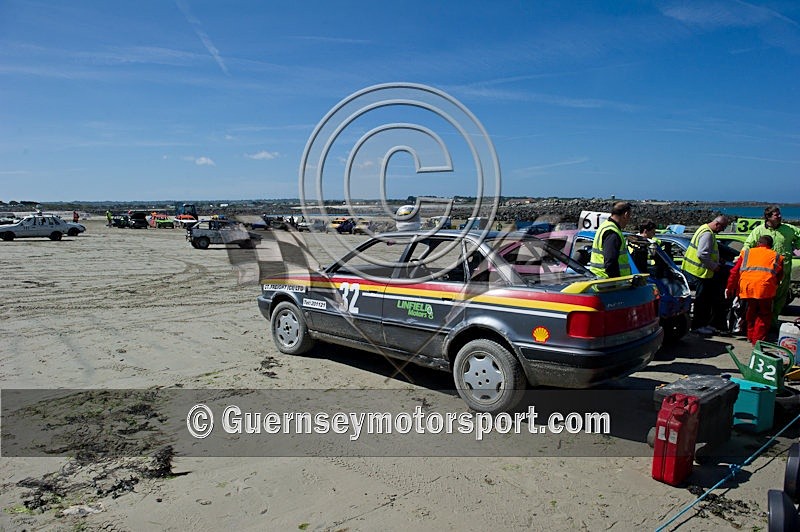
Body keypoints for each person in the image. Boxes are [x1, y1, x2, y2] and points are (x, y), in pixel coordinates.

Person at [742, 205, 800, 328]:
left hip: (783, 272)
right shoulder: (759, 231)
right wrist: (741, 260)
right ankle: (759, 326)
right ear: (768, 217)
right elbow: (747, 246)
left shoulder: (789, 230)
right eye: (776, 215)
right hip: (765, 275)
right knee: (764, 301)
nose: (780, 217)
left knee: (780, 300)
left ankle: (771, 323)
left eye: (780, 214)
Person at [725, 235, 784, 344]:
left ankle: (750, 336)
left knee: (751, 312)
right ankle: (758, 340)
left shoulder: (747, 253)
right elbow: (779, 276)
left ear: (757, 243)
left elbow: (734, 272)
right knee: (764, 315)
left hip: (747, 288)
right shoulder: (777, 256)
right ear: (771, 246)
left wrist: (729, 287)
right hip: (765, 289)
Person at [682, 215, 730, 335]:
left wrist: (718, 260)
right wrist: (715, 266)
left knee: (704, 300)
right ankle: (698, 325)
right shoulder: (707, 234)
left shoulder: (703, 228)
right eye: (722, 227)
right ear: (717, 224)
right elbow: (702, 254)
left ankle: (702, 324)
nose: (722, 230)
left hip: (694, 270)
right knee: (702, 300)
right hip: (699, 273)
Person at [588, 201, 632, 278]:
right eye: (629, 217)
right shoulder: (612, 232)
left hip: (600, 278)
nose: (628, 221)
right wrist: (617, 281)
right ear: (625, 215)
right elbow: (610, 262)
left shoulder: (605, 226)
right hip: (608, 282)